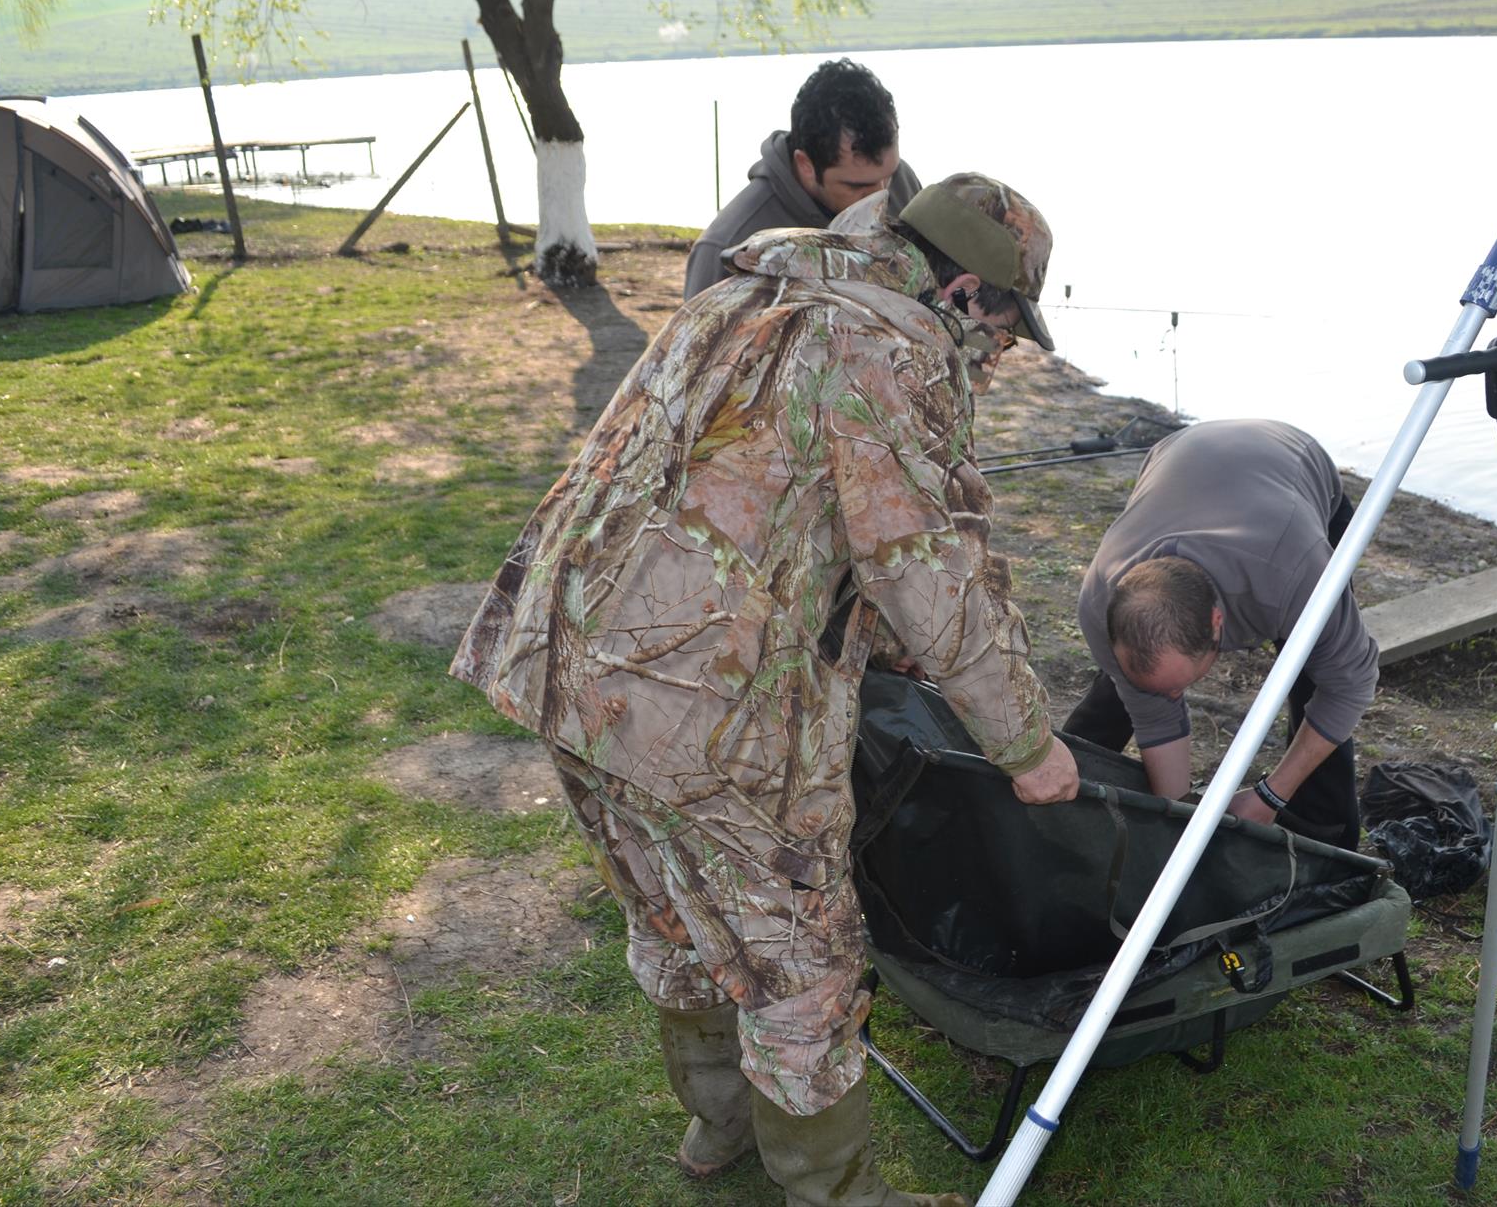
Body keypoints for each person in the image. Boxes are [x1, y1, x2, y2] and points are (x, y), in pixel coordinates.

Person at [452, 172, 1074, 1206]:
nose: (1002, 353)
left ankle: (718, 1127)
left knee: (672, 913)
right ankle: (836, 1194)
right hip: (701, 707)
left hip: (567, 665)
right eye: (1007, 328)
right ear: (965, 291)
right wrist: (1029, 747)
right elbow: (926, 574)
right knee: (802, 969)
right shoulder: (880, 350)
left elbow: (789, 500)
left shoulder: (748, 291)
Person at [1067, 419, 1378, 850]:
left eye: (1179, 688)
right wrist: (1178, 822)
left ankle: (1326, 840)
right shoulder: (1100, 600)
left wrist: (1270, 796)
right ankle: (1067, 794)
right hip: (1181, 458)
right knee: (1130, 685)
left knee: (1316, 675)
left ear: (1219, 624)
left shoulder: (1296, 575)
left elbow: (1349, 685)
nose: (1172, 698)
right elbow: (1155, 712)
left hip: (1294, 474)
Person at [683, 57, 922, 300]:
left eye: (888, 176)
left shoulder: (903, 182)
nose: (881, 196)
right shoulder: (726, 245)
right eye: (856, 186)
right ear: (806, 165)